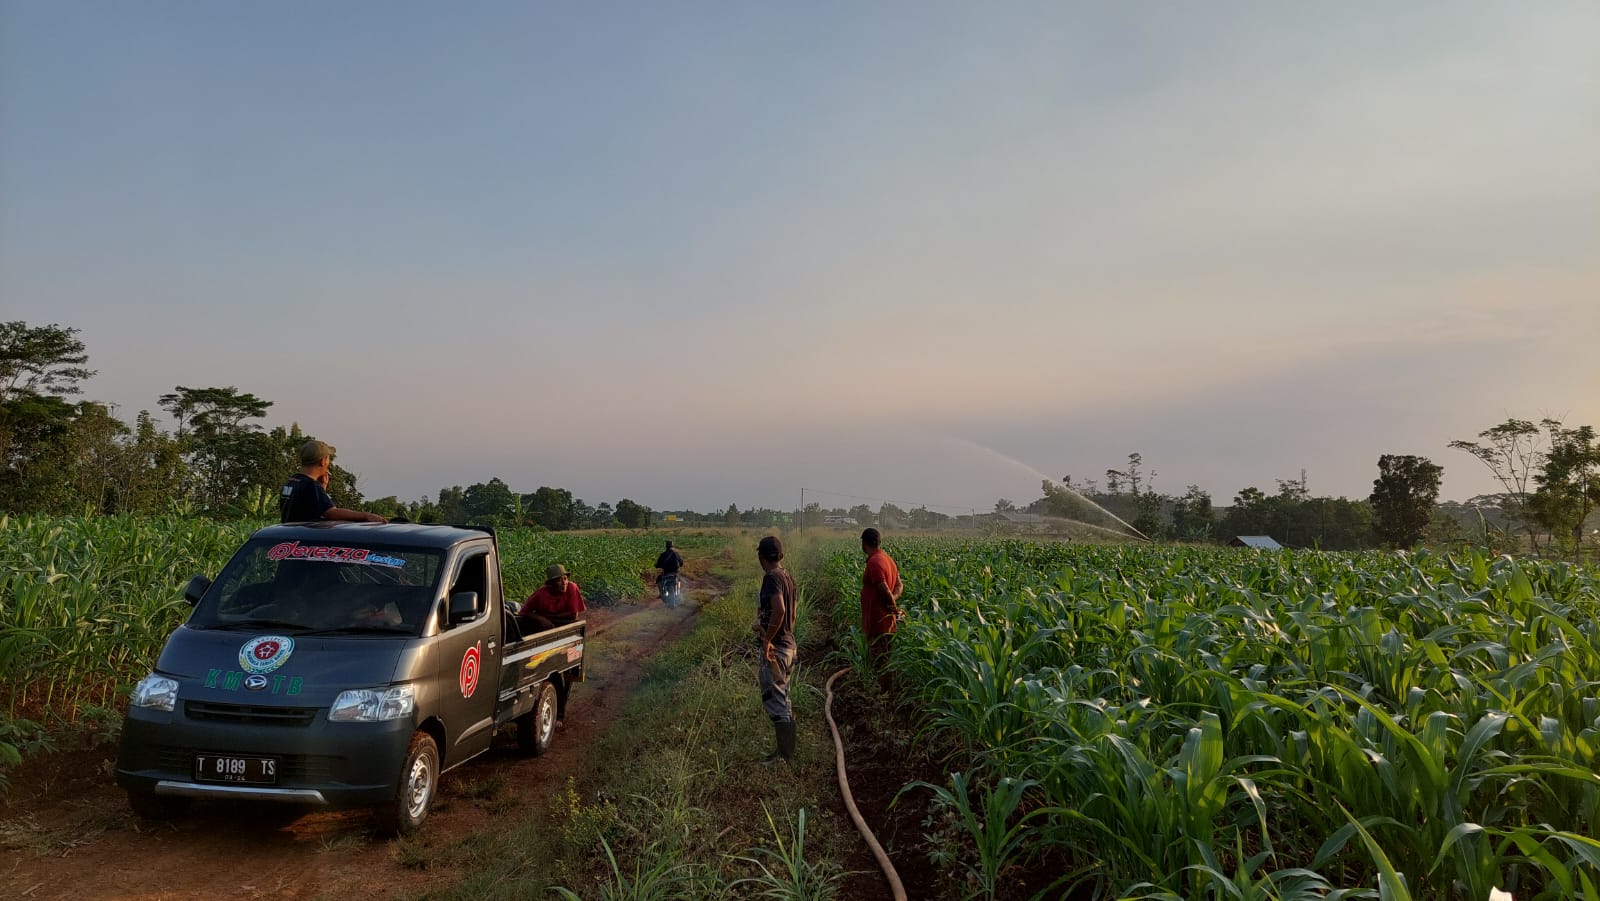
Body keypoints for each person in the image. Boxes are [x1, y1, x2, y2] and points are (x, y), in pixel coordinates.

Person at [753, 535, 798, 764]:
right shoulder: (787, 576)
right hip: (788, 645)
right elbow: (792, 613)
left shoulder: (772, 578)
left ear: (762, 557)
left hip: (777, 649)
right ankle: (783, 752)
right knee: (784, 698)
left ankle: (784, 757)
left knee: (775, 699)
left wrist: (768, 638)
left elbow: (779, 610)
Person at [280, 440, 387, 524]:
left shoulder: (291, 481)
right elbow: (331, 513)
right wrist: (366, 516)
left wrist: (322, 487)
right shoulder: (311, 485)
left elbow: (307, 508)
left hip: (290, 541)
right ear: (322, 461)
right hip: (305, 543)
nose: (329, 462)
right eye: (328, 459)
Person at [860, 527, 904, 690]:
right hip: (886, 621)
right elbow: (899, 585)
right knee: (885, 657)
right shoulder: (888, 559)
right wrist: (894, 601)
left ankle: (881, 697)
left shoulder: (874, 562)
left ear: (864, 543)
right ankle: (885, 693)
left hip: (879, 622)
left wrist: (893, 607)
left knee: (879, 659)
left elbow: (883, 587)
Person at [517, 564, 586, 635]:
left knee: (576, 625)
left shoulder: (572, 587)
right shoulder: (541, 593)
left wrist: (549, 618)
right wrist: (541, 619)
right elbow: (524, 612)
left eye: (565, 579)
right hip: (544, 622)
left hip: (564, 621)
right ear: (551, 584)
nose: (564, 583)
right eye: (559, 580)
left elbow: (573, 615)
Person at [655, 540, 685, 608]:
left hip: (666, 573)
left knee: (659, 580)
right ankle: (678, 592)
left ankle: (661, 593)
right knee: (679, 580)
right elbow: (681, 563)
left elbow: (658, 564)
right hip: (675, 573)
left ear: (666, 547)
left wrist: (657, 565)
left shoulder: (663, 554)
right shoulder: (676, 554)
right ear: (672, 546)